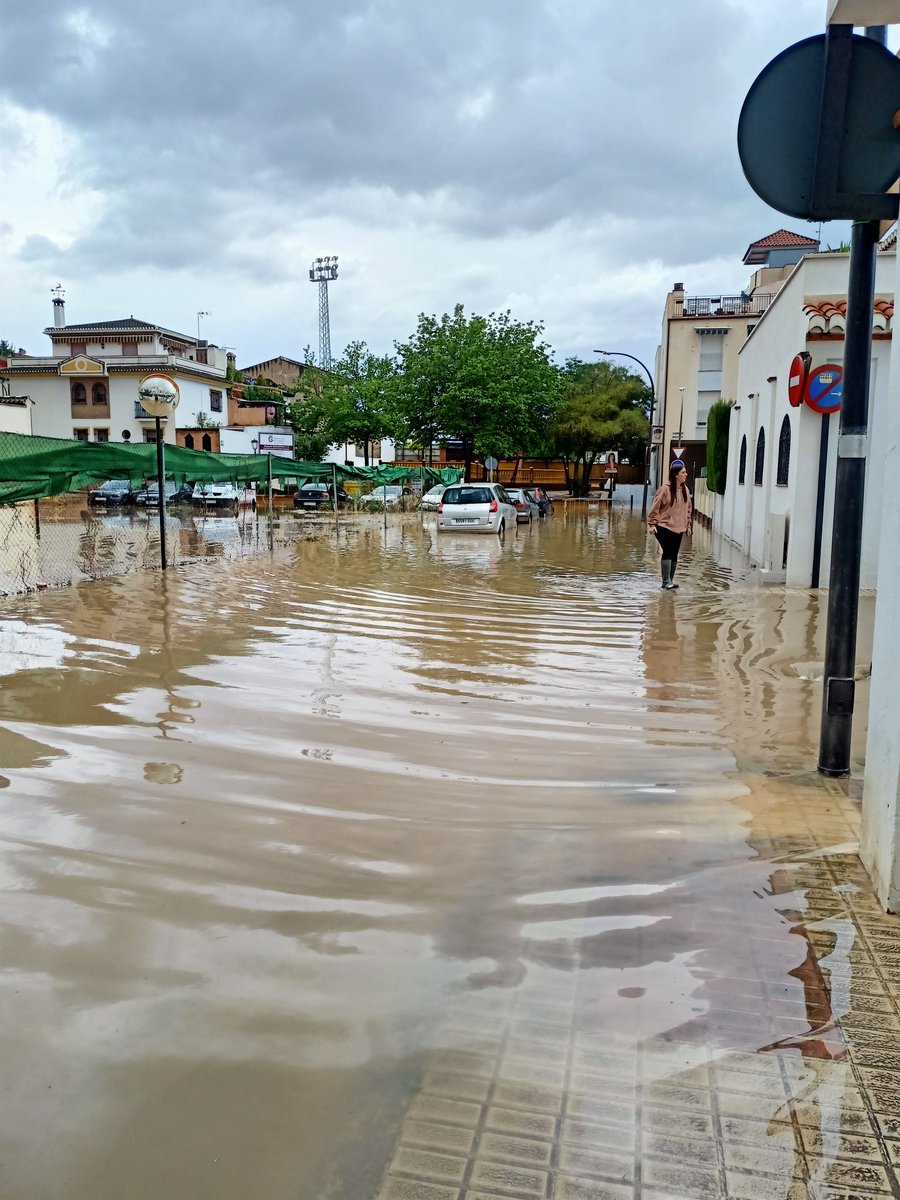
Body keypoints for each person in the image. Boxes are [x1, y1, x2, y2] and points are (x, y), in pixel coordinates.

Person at [647, 459, 692, 590]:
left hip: (679, 527)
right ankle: (666, 581)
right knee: (668, 550)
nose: (686, 474)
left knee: (674, 553)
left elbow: (688, 509)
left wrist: (688, 526)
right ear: (676, 474)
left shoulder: (685, 490)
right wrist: (652, 523)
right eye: (683, 472)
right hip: (663, 526)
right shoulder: (665, 489)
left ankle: (670, 580)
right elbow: (656, 506)